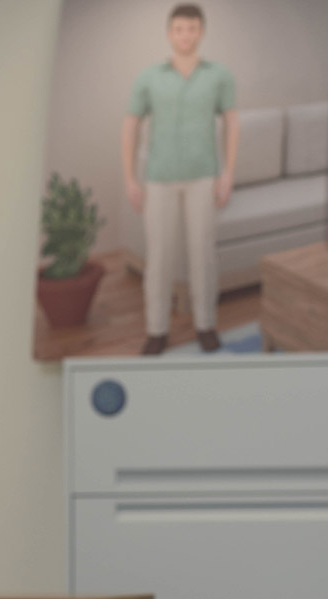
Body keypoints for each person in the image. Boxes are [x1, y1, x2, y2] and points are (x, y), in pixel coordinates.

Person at [122, 3, 238, 355]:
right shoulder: (149, 77)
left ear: (200, 31)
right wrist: (130, 178)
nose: (185, 35)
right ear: (170, 33)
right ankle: (156, 330)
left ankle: (205, 325)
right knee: (158, 258)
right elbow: (131, 126)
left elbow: (232, 124)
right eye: (178, 29)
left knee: (203, 255)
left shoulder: (219, 76)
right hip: (158, 179)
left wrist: (227, 173)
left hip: (203, 176)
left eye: (191, 28)